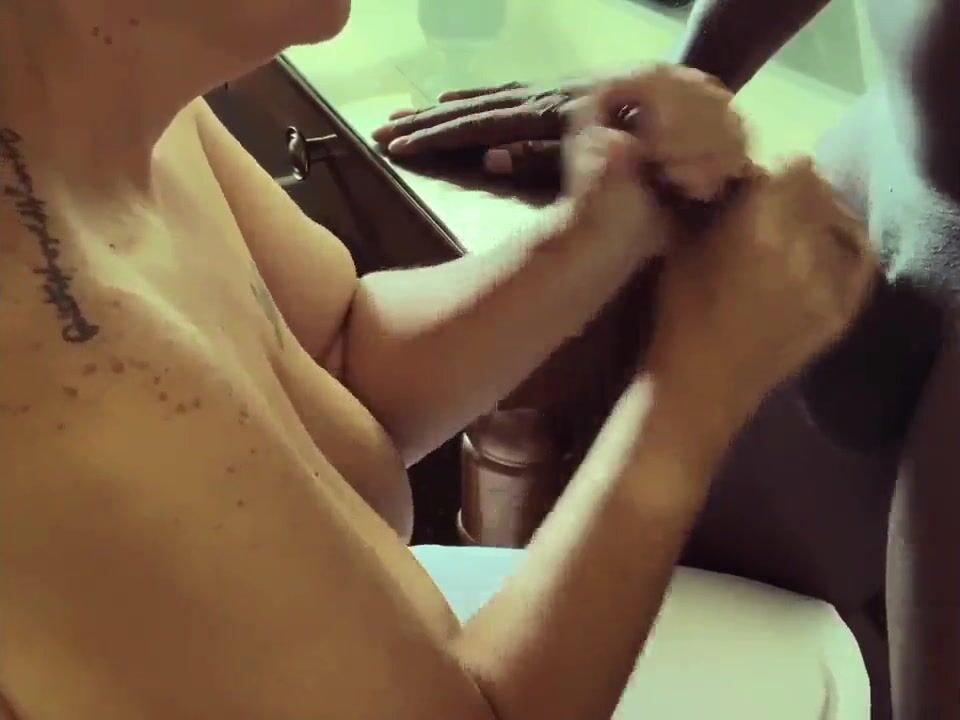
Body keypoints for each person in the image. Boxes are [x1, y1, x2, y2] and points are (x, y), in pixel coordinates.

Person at [0, 1, 876, 719]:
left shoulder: (117, 107)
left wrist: (601, 230)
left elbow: (338, 366)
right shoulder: (55, 381)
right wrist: (694, 388)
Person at [373, 1, 960, 717]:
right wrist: (674, 114)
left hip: (905, 380)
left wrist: (693, 383)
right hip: (850, 230)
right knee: (707, 641)